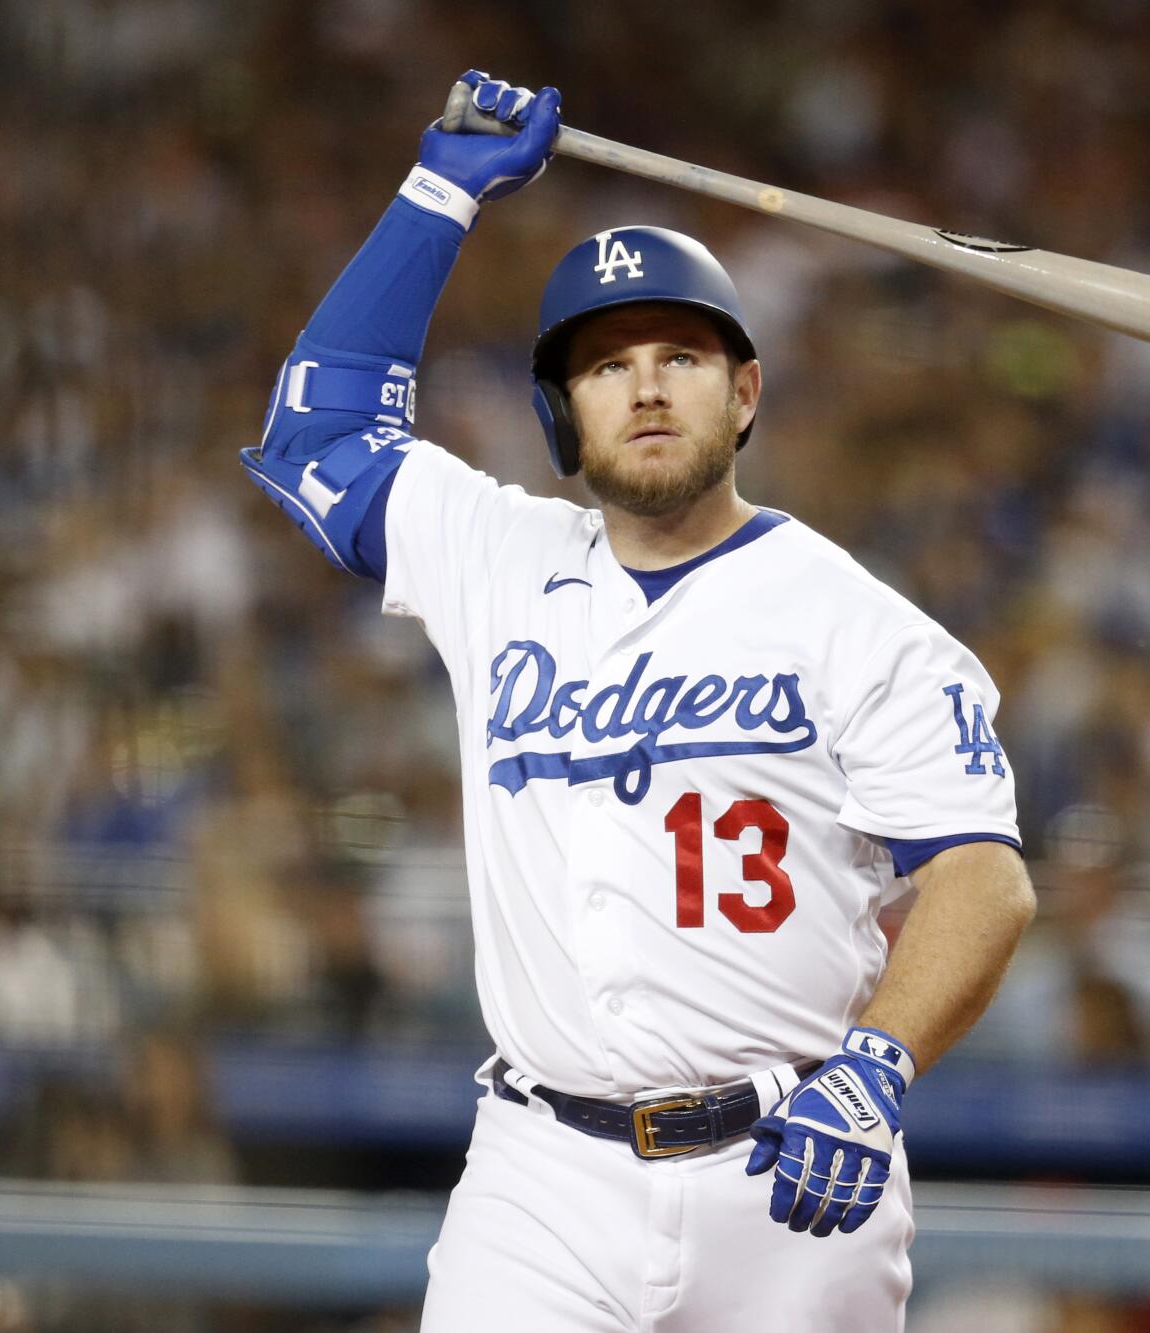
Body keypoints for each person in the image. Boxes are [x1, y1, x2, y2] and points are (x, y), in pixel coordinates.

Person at [242, 70, 1036, 1332]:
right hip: (539, 1171)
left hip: (789, 1168)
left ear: (746, 392)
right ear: (564, 411)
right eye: (607, 365)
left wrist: (874, 1072)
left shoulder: (856, 621)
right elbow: (316, 438)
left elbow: (981, 876)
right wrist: (441, 190)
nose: (649, 386)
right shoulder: (497, 556)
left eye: (681, 355)